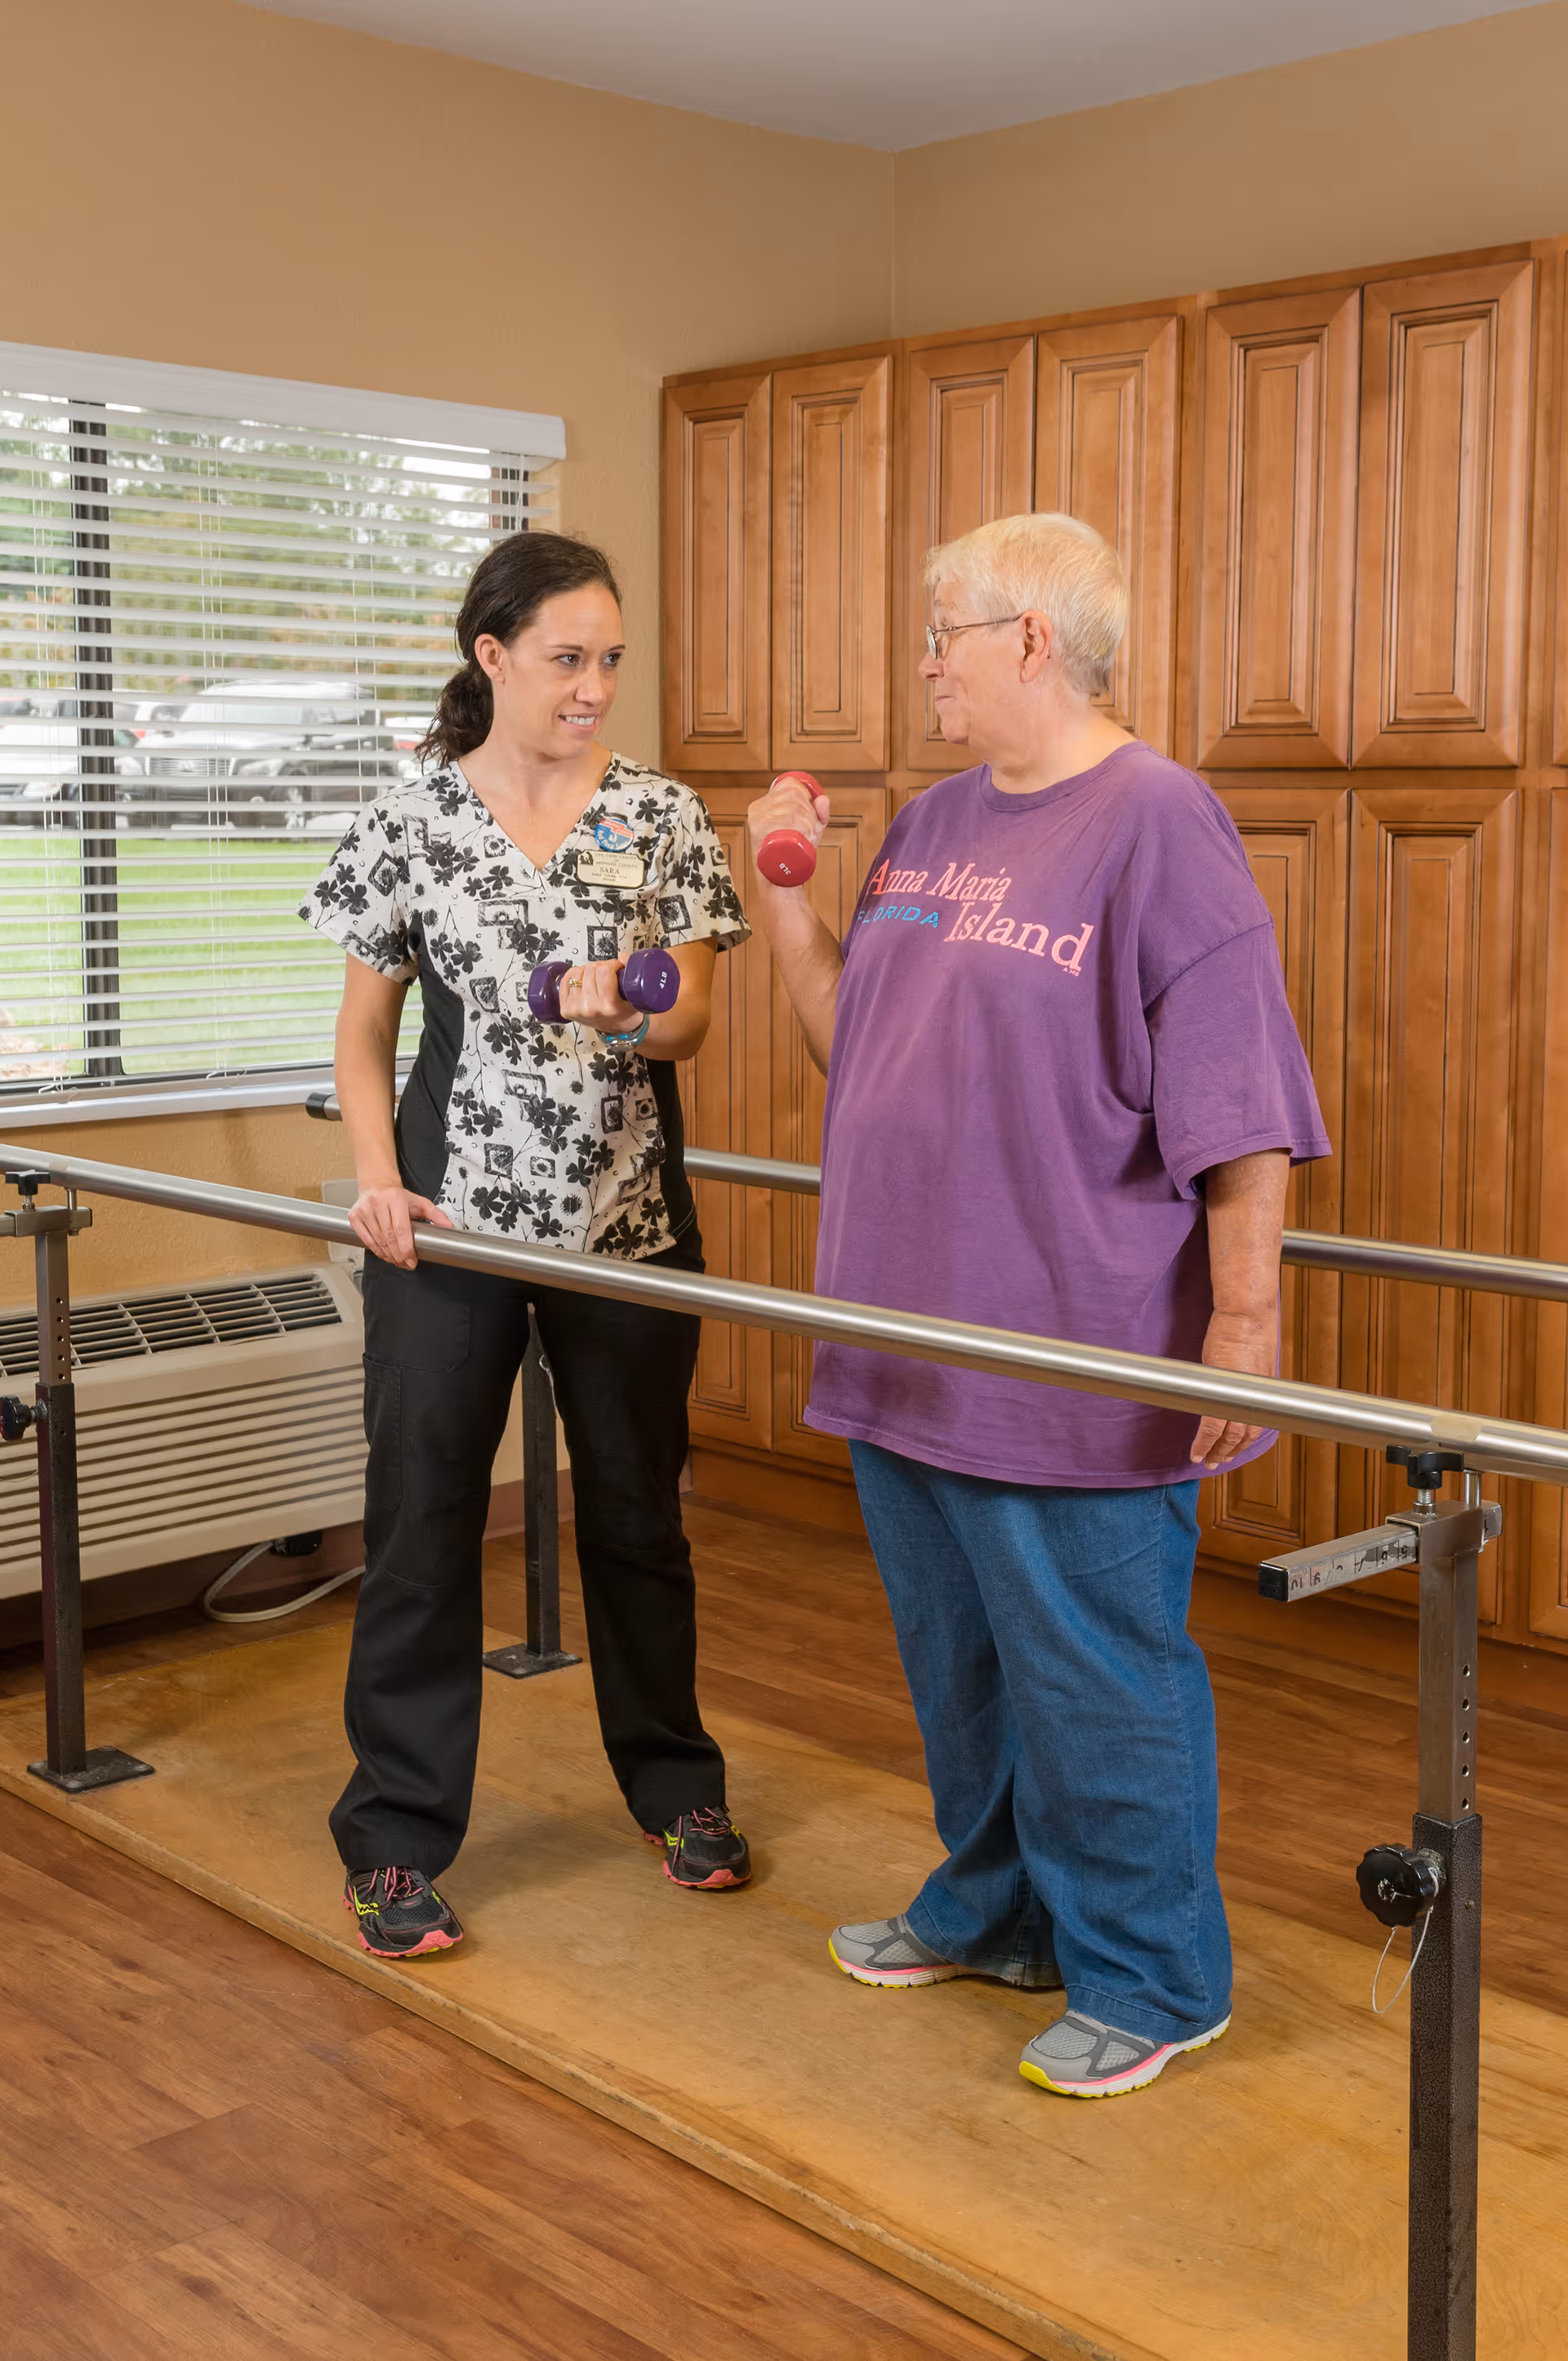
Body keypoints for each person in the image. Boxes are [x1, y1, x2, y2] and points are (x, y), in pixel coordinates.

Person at [746, 513, 1330, 2098]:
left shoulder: (1160, 822)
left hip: (1068, 1349)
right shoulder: (932, 826)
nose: (924, 659)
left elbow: (1241, 1103)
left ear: (1031, 641)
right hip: (904, 1337)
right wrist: (788, 913)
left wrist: (1244, 1319)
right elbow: (848, 1053)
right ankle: (998, 1910)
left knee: (1096, 1671)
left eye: (945, 629)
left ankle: (1152, 1975)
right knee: (965, 1667)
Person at [301, 531, 752, 1960]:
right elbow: (364, 1029)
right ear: (490, 657)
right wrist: (375, 1176)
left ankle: (676, 1787)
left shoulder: (662, 816)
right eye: (567, 658)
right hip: (449, 1225)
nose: (594, 685)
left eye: (610, 658)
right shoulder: (412, 821)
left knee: (637, 1513)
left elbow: (693, 1021)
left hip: (627, 1223)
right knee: (425, 1523)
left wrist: (634, 998)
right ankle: (393, 1834)